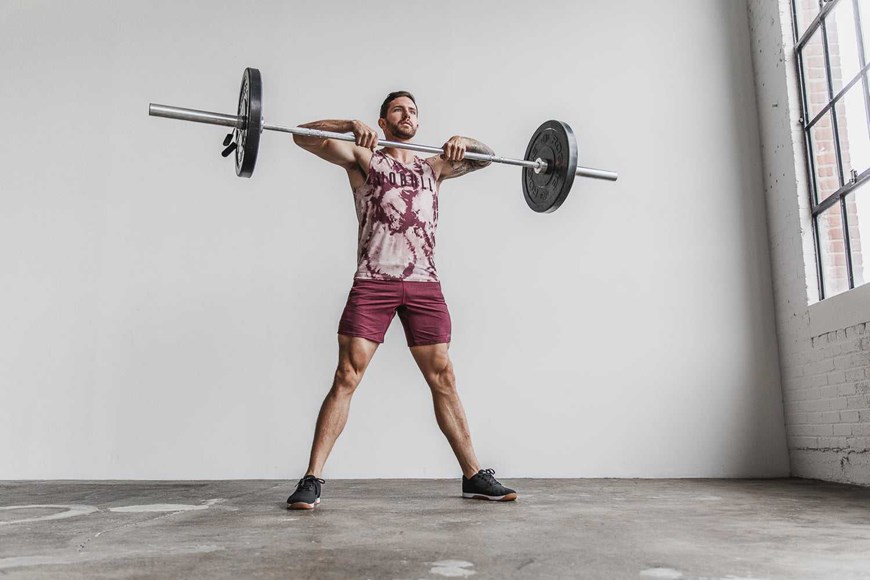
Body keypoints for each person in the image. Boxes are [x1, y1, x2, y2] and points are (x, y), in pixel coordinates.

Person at [286, 91, 517, 510]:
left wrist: (466, 140)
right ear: (384, 119)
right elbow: (300, 137)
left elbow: (489, 159)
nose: (406, 115)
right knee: (346, 375)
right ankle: (311, 478)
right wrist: (346, 125)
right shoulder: (365, 157)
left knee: (443, 378)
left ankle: (473, 476)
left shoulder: (436, 166)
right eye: (398, 110)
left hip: (425, 284)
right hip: (375, 281)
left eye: (412, 111)